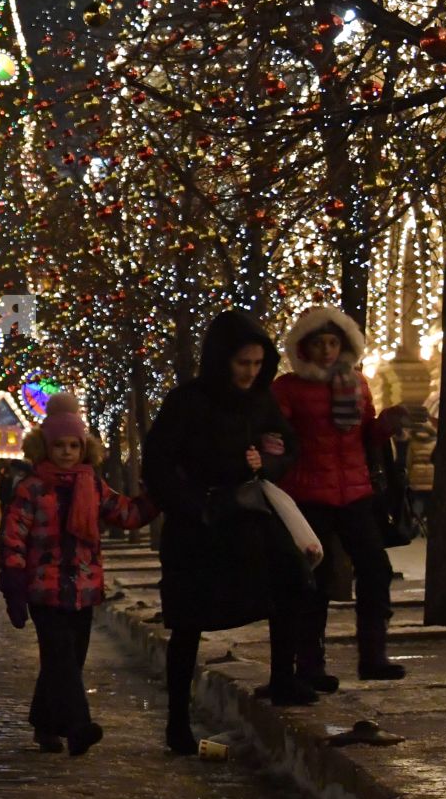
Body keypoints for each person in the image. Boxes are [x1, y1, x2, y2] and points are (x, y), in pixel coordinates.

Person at [142, 310, 306, 756]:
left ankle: (284, 679)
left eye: (257, 364)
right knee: (189, 623)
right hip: (199, 527)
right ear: (221, 359)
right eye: (242, 364)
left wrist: (267, 462)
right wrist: (194, 505)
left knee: (290, 581)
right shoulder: (188, 401)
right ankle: (177, 720)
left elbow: (285, 445)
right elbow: (158, 463)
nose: (250, 373)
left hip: (248, 518)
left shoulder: (261, 400)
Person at [0, 397, 156, 755]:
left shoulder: (93, 485)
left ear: (84, 448)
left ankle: (45, 723)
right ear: (45, 446)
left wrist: (156, 498)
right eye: (59, 445)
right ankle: (78, 727)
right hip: (45, 591)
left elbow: (127, 514)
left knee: (67, 661)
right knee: (63, 660)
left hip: (83, 589)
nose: (67, 452)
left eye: (74, 446)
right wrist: (14, 583)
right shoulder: (32, 488)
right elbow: (13, 537)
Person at [271, 307, 407, 688]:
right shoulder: (287, 388)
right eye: (319, 343)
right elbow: (278, 435)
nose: (327, 350)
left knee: (375, 569)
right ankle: (311, 665)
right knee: (317, 579)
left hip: (355, 492)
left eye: (333, 342)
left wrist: (386, 425)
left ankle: (374, 655)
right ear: (305, 347)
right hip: (309, 493)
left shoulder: (357, 383)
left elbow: (367, 436)